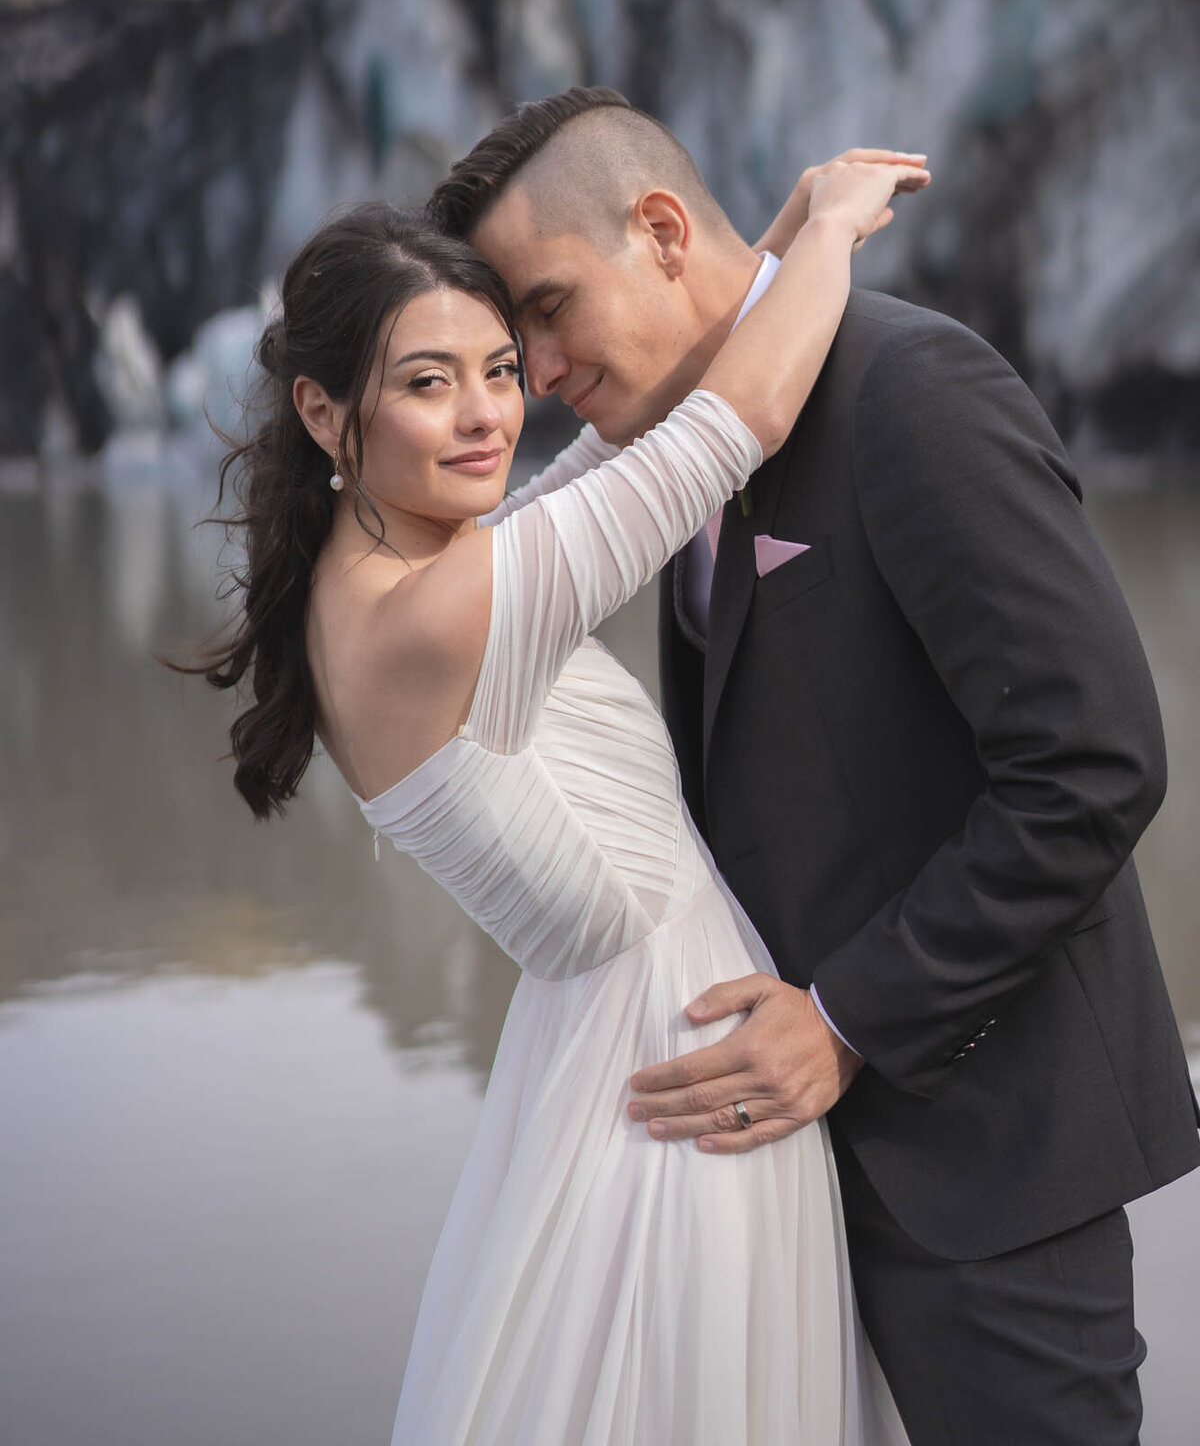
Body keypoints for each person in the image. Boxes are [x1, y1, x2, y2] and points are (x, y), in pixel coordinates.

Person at [430, 87, 1200, 1446]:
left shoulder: (914, 391)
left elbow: (1092, 764)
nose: (538, 373)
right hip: (783, 1173)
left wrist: (846, 1021)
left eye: (549, 308)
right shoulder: (684, 448)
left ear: (663, 231)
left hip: (985, 1161)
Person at [189, 178, 925, 1443]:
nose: (485, 417)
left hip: (623, 1059)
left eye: (497, 368)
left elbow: (608, 454)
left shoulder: (393, 570)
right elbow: (729, 424)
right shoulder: (437, 615)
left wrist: (782, 236)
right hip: (679, 1085)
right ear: (324, 410)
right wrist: (844, 227)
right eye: (427, 383)